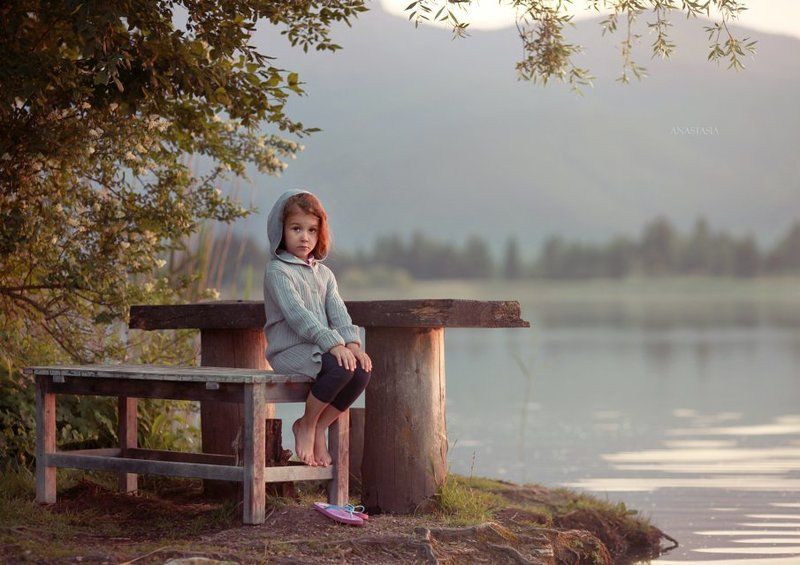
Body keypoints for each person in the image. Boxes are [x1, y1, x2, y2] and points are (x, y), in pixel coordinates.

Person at [262, 189, 372, 467]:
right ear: (281, 230)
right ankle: (307, 425)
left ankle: (319, 426)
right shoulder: (278, 271)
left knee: (360, 372)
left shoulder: (325, 274)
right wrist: (333, 344)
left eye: (312, 230)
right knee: (338, 367)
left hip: (321, 348)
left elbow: (338, 312)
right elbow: (298, 316)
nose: (304, 237)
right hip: (290, 351)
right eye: (296, 228)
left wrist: (352, 344)